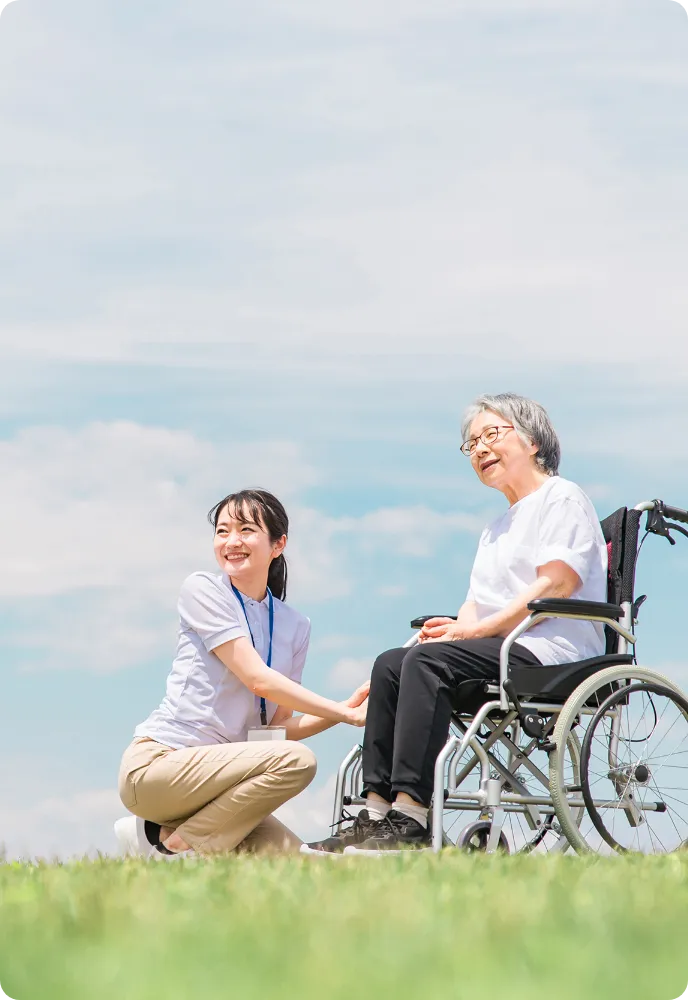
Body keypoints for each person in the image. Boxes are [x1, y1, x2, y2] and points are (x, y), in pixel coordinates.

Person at [306, 393, 607, 852]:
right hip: (504, 646)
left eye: (492, 435)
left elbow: (558, 584)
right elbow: (474, 609)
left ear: (532, 441)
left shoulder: (561, 498)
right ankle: (375, 814)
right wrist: (442, 634)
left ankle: (411, 816)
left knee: (427, 664)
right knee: (393, 662)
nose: (480, 449)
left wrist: (475, 632)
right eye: (472, 443)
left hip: (552, 650)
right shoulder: (495, 528)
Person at [115, 488, 368, 859]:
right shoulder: (203, 589)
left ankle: (156, 837)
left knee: (303, 864)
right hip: (159, 768)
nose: (231, 541)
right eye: (222, 531)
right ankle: (177, 847)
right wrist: (342, 712)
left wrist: (347, 710)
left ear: (278, 544)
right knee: (298, 761)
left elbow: (276, 731)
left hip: (223, 785)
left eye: (246, 530)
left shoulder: (295, 626)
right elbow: (257, 679)